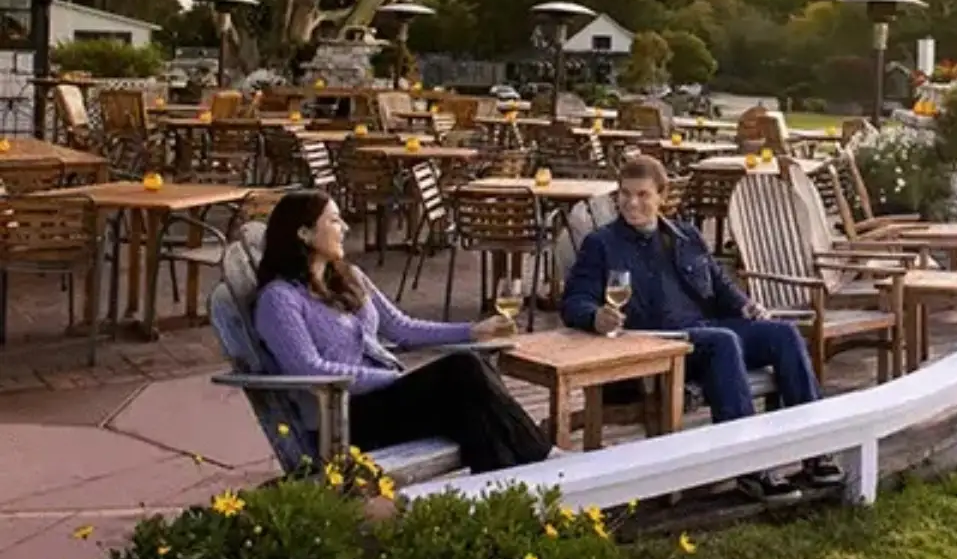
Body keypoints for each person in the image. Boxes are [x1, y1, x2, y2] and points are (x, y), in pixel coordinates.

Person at [561, 155, 842, 501]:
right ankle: (749, 467)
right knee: (723, 342)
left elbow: (719, 285)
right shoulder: (602, 244)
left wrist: (745, 304)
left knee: (783, 334)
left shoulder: (686, 236)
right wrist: (595, 316)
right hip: (654, 341)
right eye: (625, 194)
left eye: (643, 195)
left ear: (662, 196)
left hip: (703, 329)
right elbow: (574, 301)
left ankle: (816, 451)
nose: (632, 203)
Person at [251, 190, 551, 475]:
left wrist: (472, 331)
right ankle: (545, 464)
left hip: (386, 402)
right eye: (333, 220)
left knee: (477, 411)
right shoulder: (279, 299)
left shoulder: (348, 277)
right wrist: (394, 379)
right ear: (303, 234)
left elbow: (402, 328)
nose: (344, 228)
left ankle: (510, 489)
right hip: (342, 419)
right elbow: (308, 369)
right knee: (464, 369)